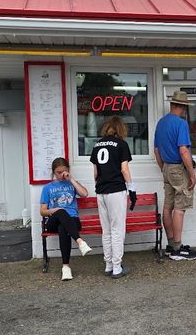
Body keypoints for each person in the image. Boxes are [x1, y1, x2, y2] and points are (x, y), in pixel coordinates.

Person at [153, 90, 196, 261]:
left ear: (172, 104)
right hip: (178, 168)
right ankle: (178, 249)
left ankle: (172, 243)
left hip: (166, 167)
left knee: (168, 207)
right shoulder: (181, 124)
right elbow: (183, 150)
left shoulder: (161, 123)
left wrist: (163, 168)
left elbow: (156, 150)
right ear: (183, 107)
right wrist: (192, 174)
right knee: (180, 208)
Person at [90, 116, 135, 279]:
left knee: (106, 230)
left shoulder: (97, 145)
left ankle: (108, 264)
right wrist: (132, 188)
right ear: (120, 129)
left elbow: (95, 173)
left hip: (101, 191)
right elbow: (124, 169)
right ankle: (117, 267)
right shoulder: (121, 145)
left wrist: (100, 185)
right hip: (116, 190)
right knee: (117, 229)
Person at [40, 157, 92, 281]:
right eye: (58, 172)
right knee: (61, 212)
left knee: (63, 228)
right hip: (53, 220)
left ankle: (66, 268)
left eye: (64, 171)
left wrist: (71, 179)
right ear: (53, 172)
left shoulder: (71, 184)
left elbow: (84, 194)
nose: (61, 175)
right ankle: (80, 242)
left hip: (72, 220)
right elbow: (42, 211)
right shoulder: (47, 188)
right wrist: (56, 210)